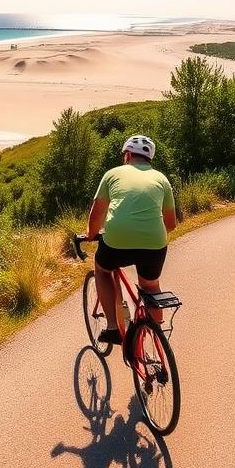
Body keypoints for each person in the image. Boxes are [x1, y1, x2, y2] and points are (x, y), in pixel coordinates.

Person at [84, 134, 177, 344]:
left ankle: (113, 327)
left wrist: (91, 235)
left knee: (102, 269)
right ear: (150, 159)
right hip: (154, 243)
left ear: (127, 155)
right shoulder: (162, 179)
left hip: (117, 239)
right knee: (151, 286)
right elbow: (171, 224)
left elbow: (97, 213)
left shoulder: (112, 174)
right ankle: (157, 338)